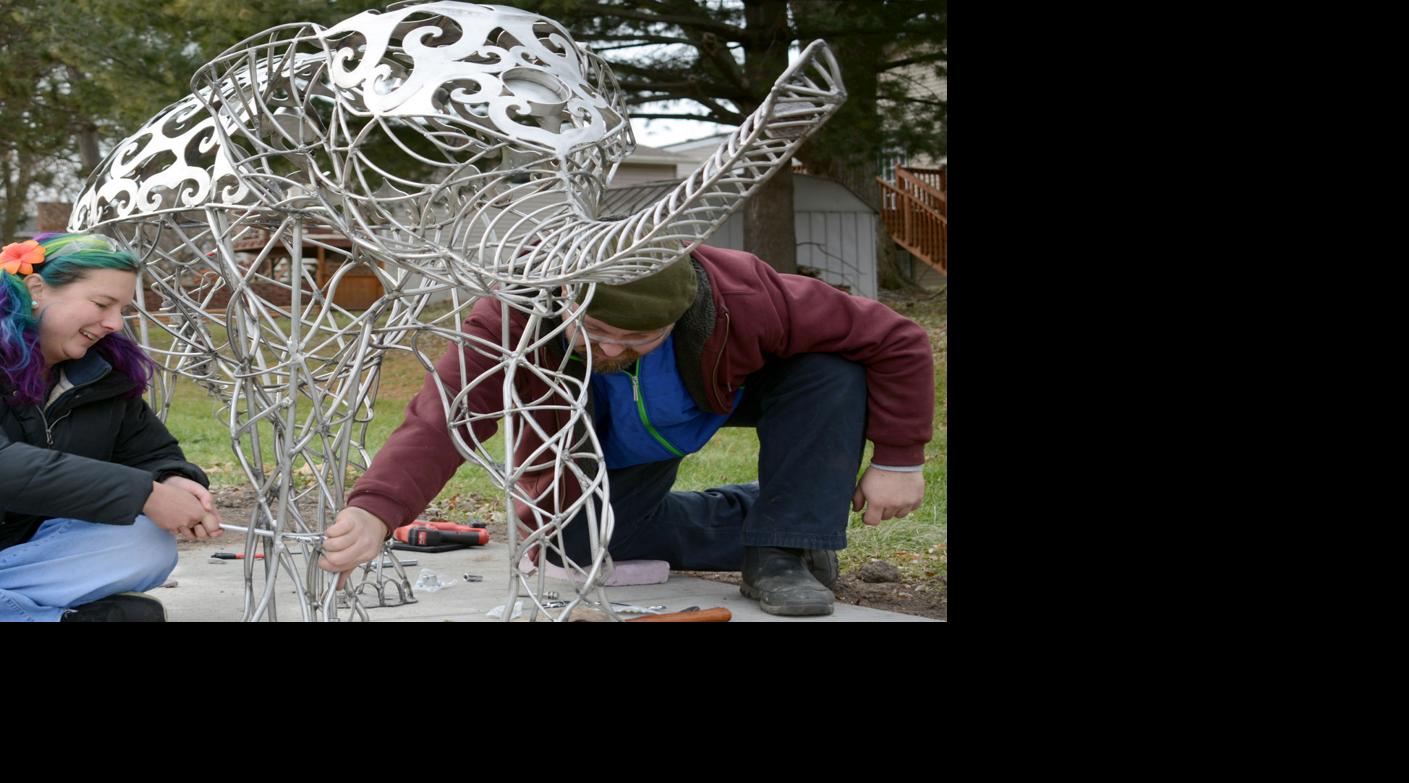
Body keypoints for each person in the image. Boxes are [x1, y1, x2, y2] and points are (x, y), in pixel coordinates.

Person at [320, 244, 933, 616]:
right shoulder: (513, 314)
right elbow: (445, 414)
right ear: (566, 297)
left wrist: (899, 458)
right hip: (602, 444)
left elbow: (895, 338)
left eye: (638, 338)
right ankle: (775, 515)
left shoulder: (741, 292)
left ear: (681, 313)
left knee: (831, 369)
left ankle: (784, 551)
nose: (611, 349)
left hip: (719, 395)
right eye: (594, 332)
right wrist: (377, 510)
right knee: (580, 550)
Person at [0, 232, 222, 622]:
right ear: (36, 289)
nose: (115, 324)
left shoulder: (101, 376)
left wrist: (173, 480)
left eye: (122, 310)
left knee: (148, 543)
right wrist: (143, 493)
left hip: (21, 551)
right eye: (102, 304)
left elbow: (151, 452)